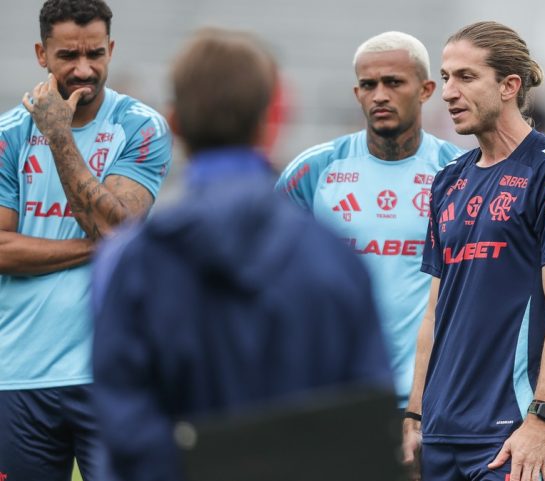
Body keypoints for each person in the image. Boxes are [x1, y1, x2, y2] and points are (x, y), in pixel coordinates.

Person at [90, 28, 394, 481]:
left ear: (173, 121)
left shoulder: (130, 260)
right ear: (274, 119)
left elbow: (123, 429)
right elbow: (366, 430)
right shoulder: (337, 260)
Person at [404, 21, 545, 481]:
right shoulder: (448, 181)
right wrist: (414, 415)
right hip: (441, 431)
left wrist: (540, 419)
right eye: (445, 77)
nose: (448, 92)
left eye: (466, 77)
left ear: (509, 86)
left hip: (510, 435)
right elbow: (434, 312)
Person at [0, 0, 172, 479]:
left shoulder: (140, 126)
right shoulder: (7, 135)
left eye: (95, 53)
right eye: (67, 56)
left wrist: (59, 137)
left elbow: (116, 227)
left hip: (112, 373)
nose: (84, 69)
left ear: (111, 48)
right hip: (19, 373)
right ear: (41, 53)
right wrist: (98, 249)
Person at [276, 31, 462, 408]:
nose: (380, 95)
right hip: (335, 396)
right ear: (357, 93)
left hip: (430, 397)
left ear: (426, 90)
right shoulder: (314, 170)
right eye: (368, 84)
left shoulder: (458, 173)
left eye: (394, 82)